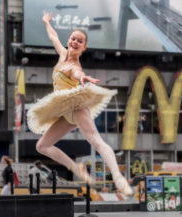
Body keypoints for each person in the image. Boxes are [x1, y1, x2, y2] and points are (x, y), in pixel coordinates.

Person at [27, 11, 133, 196]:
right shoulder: (62, 54)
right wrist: (45, 21)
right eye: (73, 39)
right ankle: (77, 169)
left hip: (76, 107)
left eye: (79, 41)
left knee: (96, 141)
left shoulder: (74, 66)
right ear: (69, 40)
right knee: (42, 146)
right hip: (65, 112)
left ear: (84, 47)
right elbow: (53, 36)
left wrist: (83, 77)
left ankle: (118, 177)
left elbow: (77, 74)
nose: (75, 42)